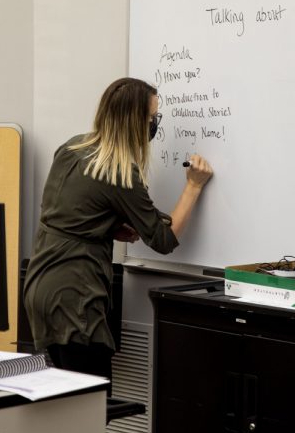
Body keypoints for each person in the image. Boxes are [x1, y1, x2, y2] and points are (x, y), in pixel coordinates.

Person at [23, 77, 213, 382]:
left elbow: (65, 212)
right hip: (75, 297)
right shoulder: (118, 171)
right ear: (134, 121)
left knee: (62, 406)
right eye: (152, 117)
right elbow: (164, 239)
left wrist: (108, 224)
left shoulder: (72, 148)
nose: (154, 123)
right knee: (88, 408)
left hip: (41, 286)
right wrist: (193, 186)